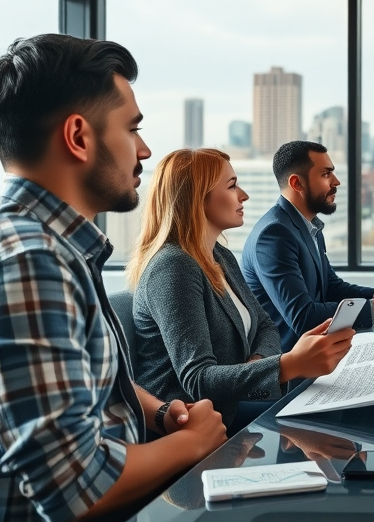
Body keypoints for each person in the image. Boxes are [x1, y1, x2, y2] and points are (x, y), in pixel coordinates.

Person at [0, 34, 227, 521]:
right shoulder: (32, 261)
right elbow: (76, 491)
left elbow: (88, 380)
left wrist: (160, 413)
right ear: (78, 137)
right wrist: (192, 442)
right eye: (132, 129)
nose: (144, 150)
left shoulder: (56, 249)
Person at [127, 149, 357, 436]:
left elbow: (265, 326)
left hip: (233, 405)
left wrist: (259, 365)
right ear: (198, 198)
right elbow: (198, 380)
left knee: (339, 402)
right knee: (332, 417)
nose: (244, 195)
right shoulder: (173, 267)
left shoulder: (219, 256)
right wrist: (288, 364)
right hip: (193, 425)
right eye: (232, 186)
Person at [242, 141, 374, 352]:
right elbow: (303, 317)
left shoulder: (308, 226)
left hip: (321, 350)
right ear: (297, 183)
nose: (336, 182)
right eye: (326, 174)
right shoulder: (274, 235)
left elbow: (330, 287)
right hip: (292, 362)